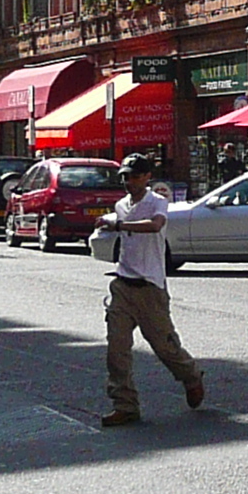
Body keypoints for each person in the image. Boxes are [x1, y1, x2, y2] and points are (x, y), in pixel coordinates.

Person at [96, 153, 206, 426]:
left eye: (134, 176)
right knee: (117, 350)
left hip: (150, 288)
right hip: (123, 284)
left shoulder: (157, 201)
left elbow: (155, 225)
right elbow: (118, 221)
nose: (128, 181)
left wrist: (119, 225)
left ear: (147, 177)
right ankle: (125, 405)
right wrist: (106, 222)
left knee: (165, 347)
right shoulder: (121, 205)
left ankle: (190, 375)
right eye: (125, 176)